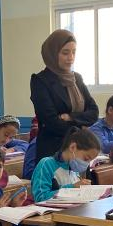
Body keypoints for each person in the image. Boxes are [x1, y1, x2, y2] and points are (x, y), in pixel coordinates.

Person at [29, 29, 99, 161]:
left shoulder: (77, 78)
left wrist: (70, 116)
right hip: (53, 151)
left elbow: (94, 112)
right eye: (65, 53)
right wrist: (81, 128)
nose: (71, 57)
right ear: (53, 53)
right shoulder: (40, 81)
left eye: (74, 52)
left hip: (80, 151)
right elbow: (51, 122)